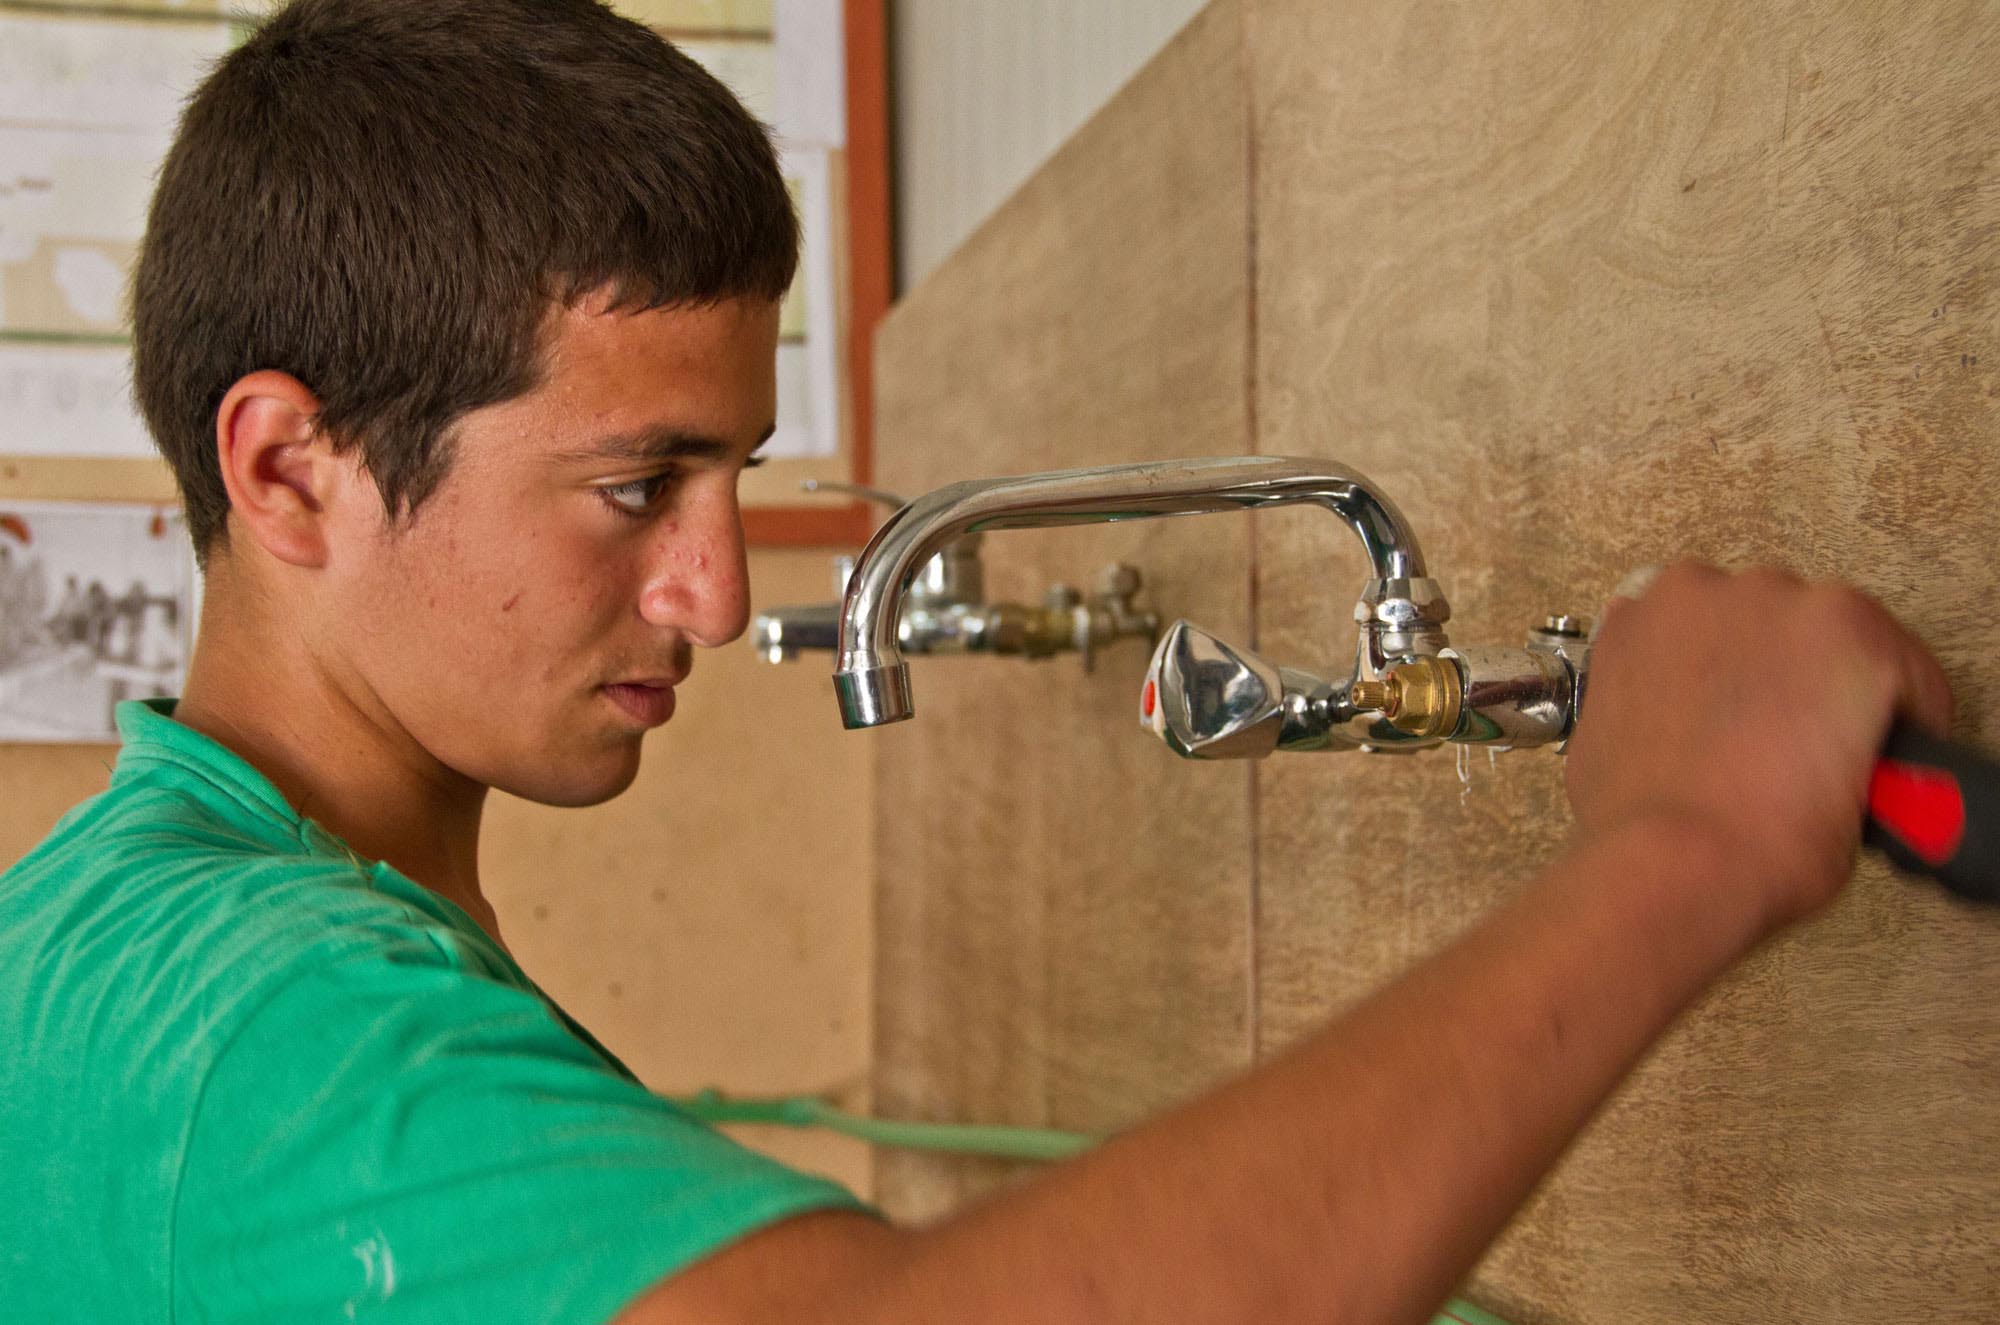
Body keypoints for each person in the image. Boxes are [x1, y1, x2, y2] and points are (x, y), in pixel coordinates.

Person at [0, 1, 1954, 1323]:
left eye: (731, 475)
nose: (705, 587)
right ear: (289, 469)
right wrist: (1691, 840)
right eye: (635, 483)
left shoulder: (132, 928)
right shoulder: (255, 1028)